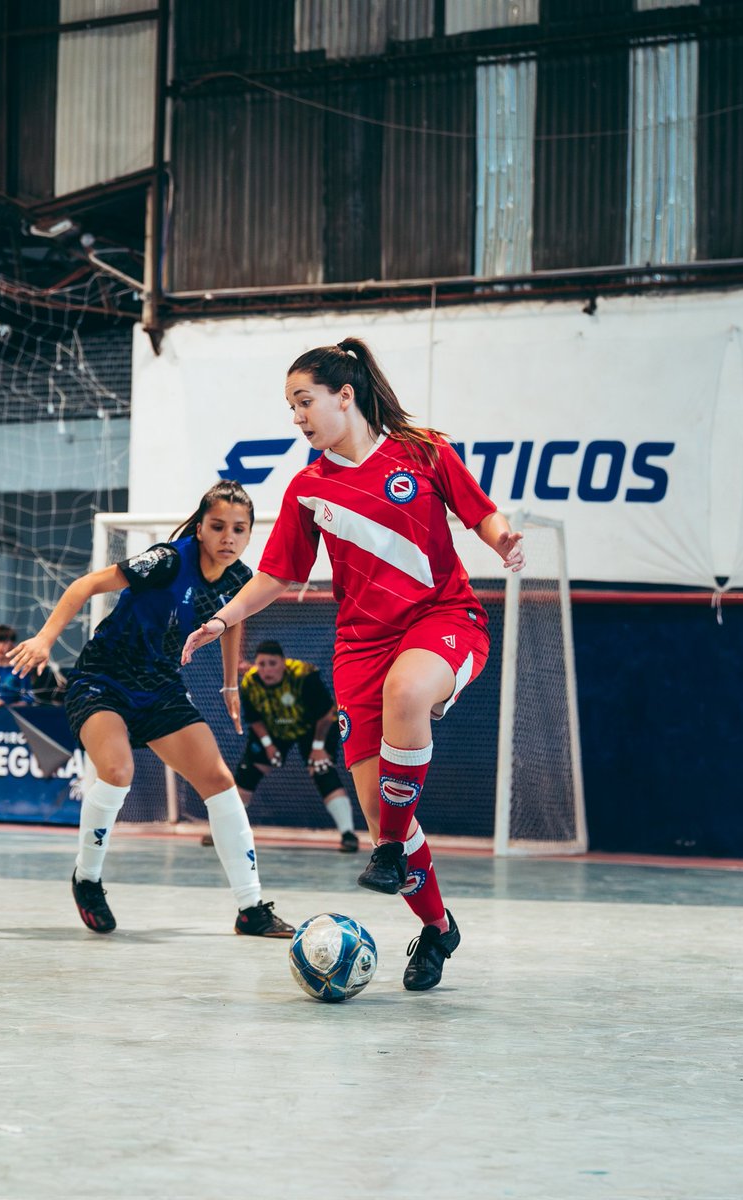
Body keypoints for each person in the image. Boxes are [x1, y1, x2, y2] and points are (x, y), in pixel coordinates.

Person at [183, 338, 525, 992]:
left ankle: (389, 851)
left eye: (304, 400)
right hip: (360, 648)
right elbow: (278, 573)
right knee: (379, 807)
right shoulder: (310, 487)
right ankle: (437, 927)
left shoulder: (422, 451)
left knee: (408, 695)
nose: (298, 416)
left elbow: (479, 512)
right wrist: (223, 617)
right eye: (291, 406)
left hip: (443, 619)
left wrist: (501, 535)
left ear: (346, 395)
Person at [8, 480, 295, 940]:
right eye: (218, 526)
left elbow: (233, 620)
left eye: (239, 530)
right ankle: (88, 877)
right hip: (103, 679)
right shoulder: (165, 561)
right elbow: (86, 585)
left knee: (220, 782)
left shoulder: (241, 579)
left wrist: (229, 683)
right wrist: (44, 639)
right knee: (117, 770)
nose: (228, 537)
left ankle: (251, 909)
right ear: (200, 527)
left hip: (160, 688)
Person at [204, 639, 359, 853]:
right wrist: (268, 745)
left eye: (272, 663)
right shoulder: (250, 682)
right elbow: (255, 719)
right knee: (247, 774)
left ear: (283, 663)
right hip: (274, 728)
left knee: (322, 770)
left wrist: (318, 746)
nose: (267, 670)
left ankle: (348, 835)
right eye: (262, 664)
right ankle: (224, 832)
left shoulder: (304, 676)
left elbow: (326, 714)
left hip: (312, 728)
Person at [0, 625, 34, 709]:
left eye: (4, 642)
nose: (1, 646)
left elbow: (27, 701)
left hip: (10, 718)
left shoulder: (20, 670)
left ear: (13, 645)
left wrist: (5, 706)